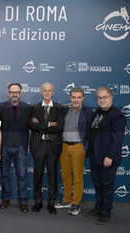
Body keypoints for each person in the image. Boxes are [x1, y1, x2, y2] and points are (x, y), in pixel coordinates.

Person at [85, 86, 125, 225]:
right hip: (95, 156)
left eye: (105, 97)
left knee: (107, 185)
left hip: (107, 158)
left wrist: (110, 156)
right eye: (99, 98)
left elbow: (118, 139)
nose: (102, 100)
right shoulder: (98, 112)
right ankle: (99, 207)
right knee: (98, 184)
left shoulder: (117, 115)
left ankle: (105, 212)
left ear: (111, 97)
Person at [54, 87, 93, 215]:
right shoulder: (64, 110)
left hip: (78, 147)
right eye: (74, 97)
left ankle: (76, 203)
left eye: (79, 97)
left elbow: (91, 131)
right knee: (65, 175)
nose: (76, 100)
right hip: (63, 146)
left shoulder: (88, 112)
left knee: (77, 176)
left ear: (83, 98)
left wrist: (86, 146)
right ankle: (66, 200)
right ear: (70, 97)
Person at [29, 82, 64, 215]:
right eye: (45, 90)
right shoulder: (35, 107)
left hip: (53, 146)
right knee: (37, 175)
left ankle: (51, 203)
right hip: (38, 146)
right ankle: (37, 202)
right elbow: (31, 125)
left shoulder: (59, 108)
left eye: (49, 90)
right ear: (41, 92)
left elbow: (59, 126)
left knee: (52, 176)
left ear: (53, 92)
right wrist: (50, 124)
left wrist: (42, 124)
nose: (47, 93)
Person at [0, 83, 31, 213]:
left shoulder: (28, 108)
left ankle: (23, 201)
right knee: (4, 175)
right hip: (4, 146)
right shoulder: (0, 107)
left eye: (17, 92)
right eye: (12, 92)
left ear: (21, 93)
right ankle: (6, 199)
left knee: (22, 175)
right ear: (8, 93)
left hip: (21, 146)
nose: (14, 94)